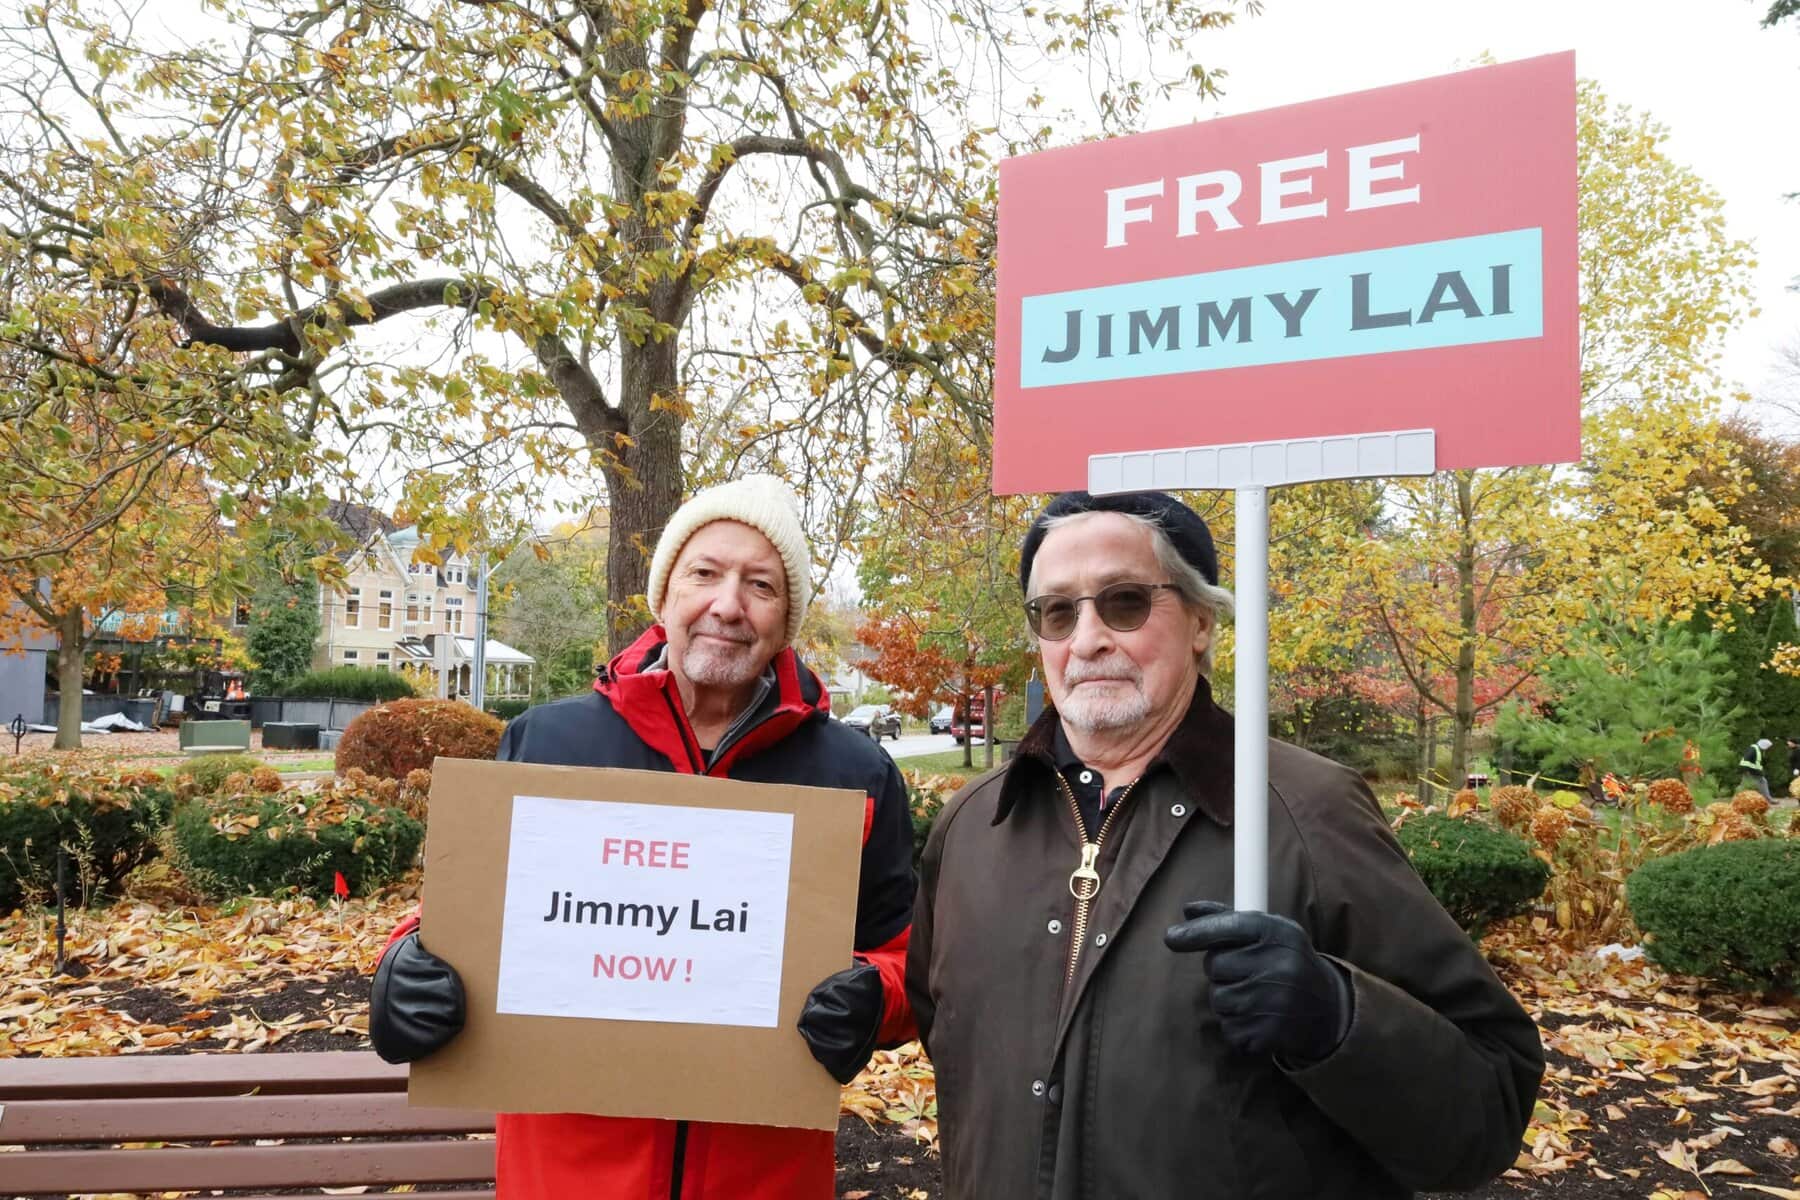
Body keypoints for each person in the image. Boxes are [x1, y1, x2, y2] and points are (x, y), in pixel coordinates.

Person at [907, 490, 1544, 1199]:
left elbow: (1488, 1107)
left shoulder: (1305, 811)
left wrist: (1338, 1019)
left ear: (1201, 620)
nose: (1086, 640)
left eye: (1123, 602)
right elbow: (949, 1043)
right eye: (1057, 612)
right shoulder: (972, 825)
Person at [368, 475, 917, 1199]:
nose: (728, 604)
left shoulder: (852, 773)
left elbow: (906, 953)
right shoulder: (549, 741)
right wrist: (402, 969)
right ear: (663, 597)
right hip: (567, 1176)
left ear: (787, 621)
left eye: (761, 585)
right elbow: (458, 915)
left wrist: (877, 998)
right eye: (705, 574)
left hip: (763, 1178)